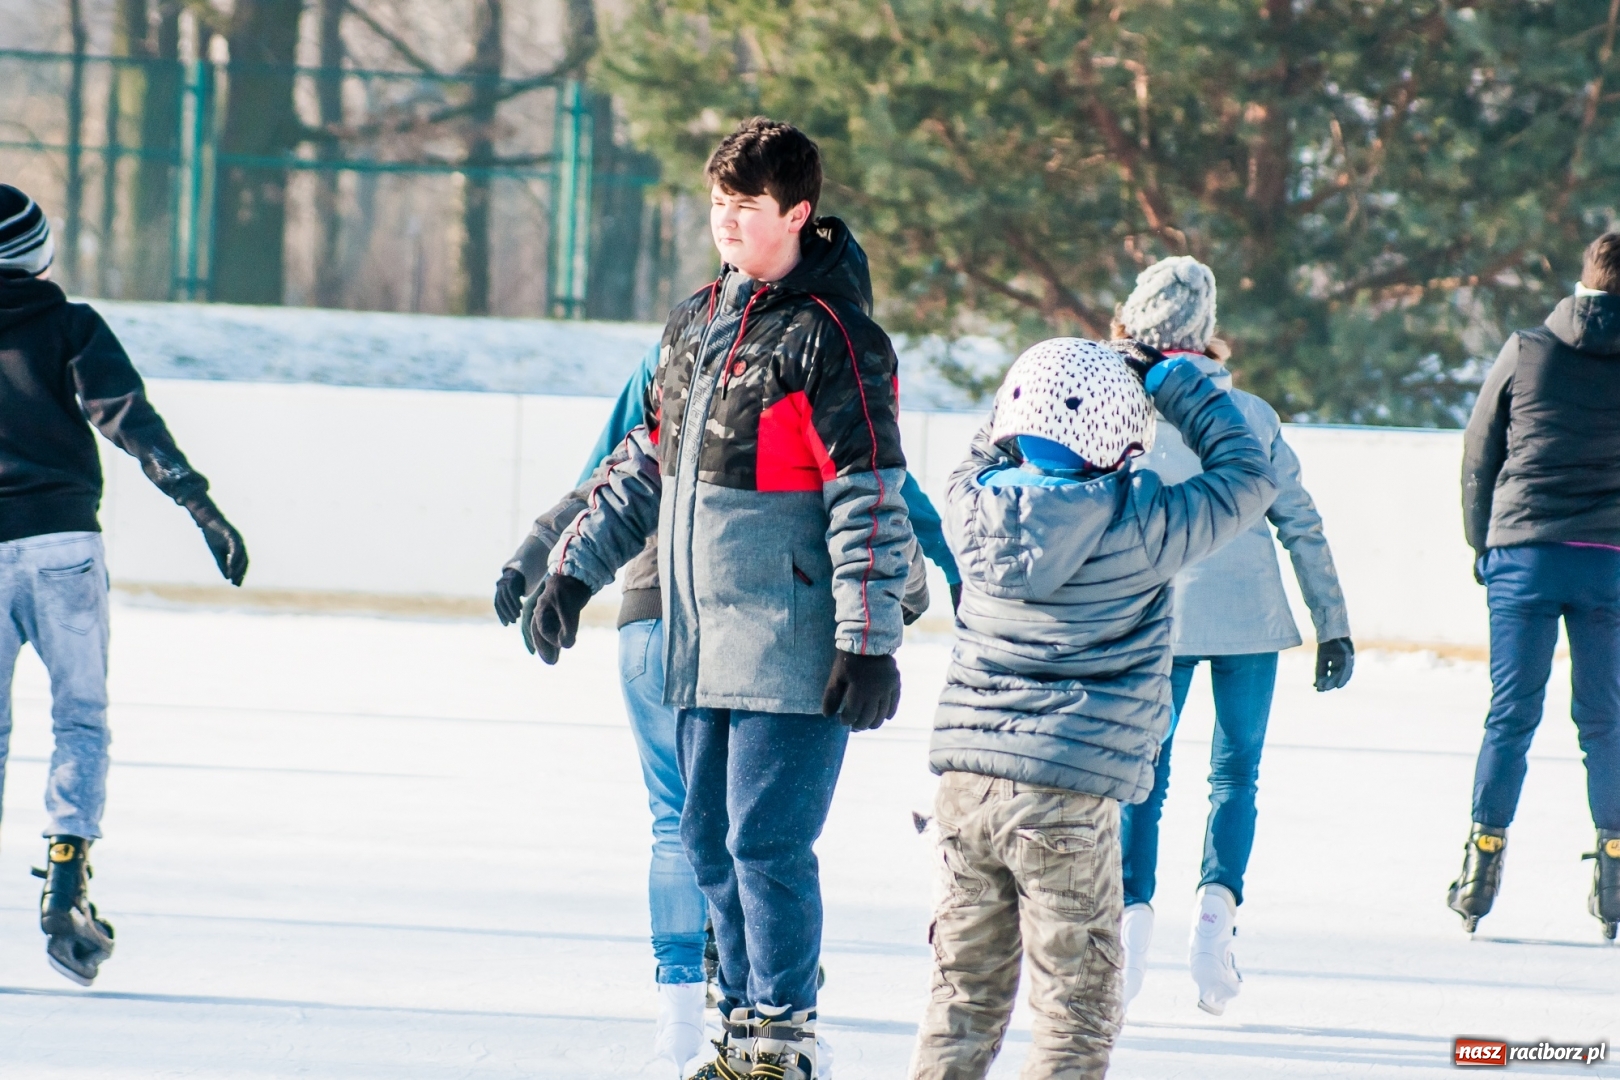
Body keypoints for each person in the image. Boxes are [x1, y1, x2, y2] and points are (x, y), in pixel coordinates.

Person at [529, 118, 914, 1080]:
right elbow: (644, 465)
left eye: (746, 207)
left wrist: (867, 639)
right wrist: (572, 570)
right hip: (698, 643)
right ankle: (742, 1034)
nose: (726, 223)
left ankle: (782, 1040)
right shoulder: (699, 320)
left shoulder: (837, 339)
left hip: (794, 642)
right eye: (717, 204)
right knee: (706, 841)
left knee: (765, 842)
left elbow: (868, 491)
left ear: (797, 212)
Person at [494, 343, 958, 1076]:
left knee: (699, 834)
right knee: (742, 842)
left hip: (681, 625)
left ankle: (719, 1020)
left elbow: (609, 470)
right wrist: (934, 581)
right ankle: (758, 1021)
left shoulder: (685, 353)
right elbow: (890, 499)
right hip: (712, 627)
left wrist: (541, 557)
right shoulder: (797, 360)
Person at [913, 337, 1277, 1080]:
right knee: (1074, 1013)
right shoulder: (1145, 528)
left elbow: (982, 445)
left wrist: (1043, 383)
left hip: (966, 789)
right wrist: (1174, 380)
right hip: (1068, 797)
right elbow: (1248, 473)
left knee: (962, 999)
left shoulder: (970, 508)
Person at [0, 184, 248, 986]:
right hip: (65, 545)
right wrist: (198, 501)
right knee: (80, 717)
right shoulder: (71, 325)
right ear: (37, 253)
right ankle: (66, 878)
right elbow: (127, 415)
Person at [1112, 256, 1354, 1015]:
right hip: (1250, 618)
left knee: (1141, 775)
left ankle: (1129, 932)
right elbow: (1301, 524)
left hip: (1159, 617)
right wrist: (1333, 626)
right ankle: (1215, 924)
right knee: (1236, 775)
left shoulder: (1123, 410)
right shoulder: (1250, 412)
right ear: (1207, 332)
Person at [1453, 230, 1620, 941]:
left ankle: (1480, 868)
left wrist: (1481, 543)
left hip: (1523, 552)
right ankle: (1614, 875)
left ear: (1583, 278)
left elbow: (1479, 450)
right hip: (1608, 560)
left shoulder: (1527, 347)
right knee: (1607, 721)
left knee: (1510, 715)